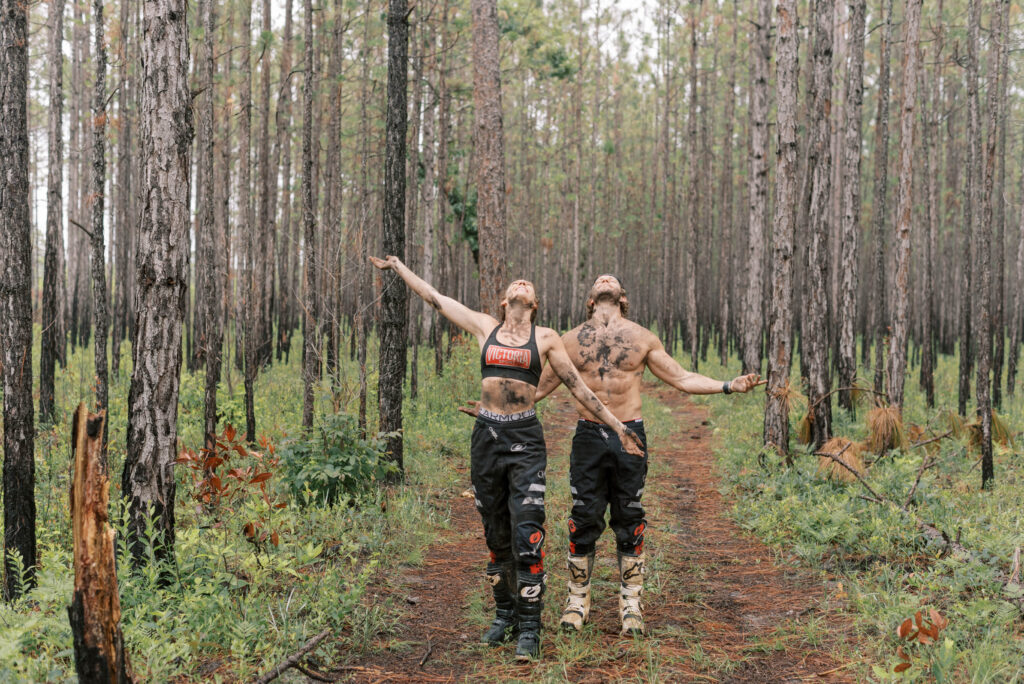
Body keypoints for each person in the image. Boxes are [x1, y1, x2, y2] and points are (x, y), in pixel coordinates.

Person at [368, 256, 643, 660]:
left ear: (534, 303)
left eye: (528, 285)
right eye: (516, 283)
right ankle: (505, 614)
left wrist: (620, 429)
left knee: (527, 533)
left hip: (526, 440)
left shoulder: (546, 338)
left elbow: (581, 391)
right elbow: (436, 299)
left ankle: (530, 628)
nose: (522, 283)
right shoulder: (485, 327)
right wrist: (398, 267)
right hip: (486, 438)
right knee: (496, 536)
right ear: (505, 301)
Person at [533, 274, 760, 636]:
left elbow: (682, 378)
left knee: (630, 516)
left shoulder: (642, 337)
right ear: (590, 300)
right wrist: (495, 407)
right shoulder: (570, 341)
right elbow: (539, 389)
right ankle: (577, 601)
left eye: (612, 280)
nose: (604, 278)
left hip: (630, 436)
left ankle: (631, 604)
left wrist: (728, 385)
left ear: (622, 297)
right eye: (598, 279)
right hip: (588, 437)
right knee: (583, 516)